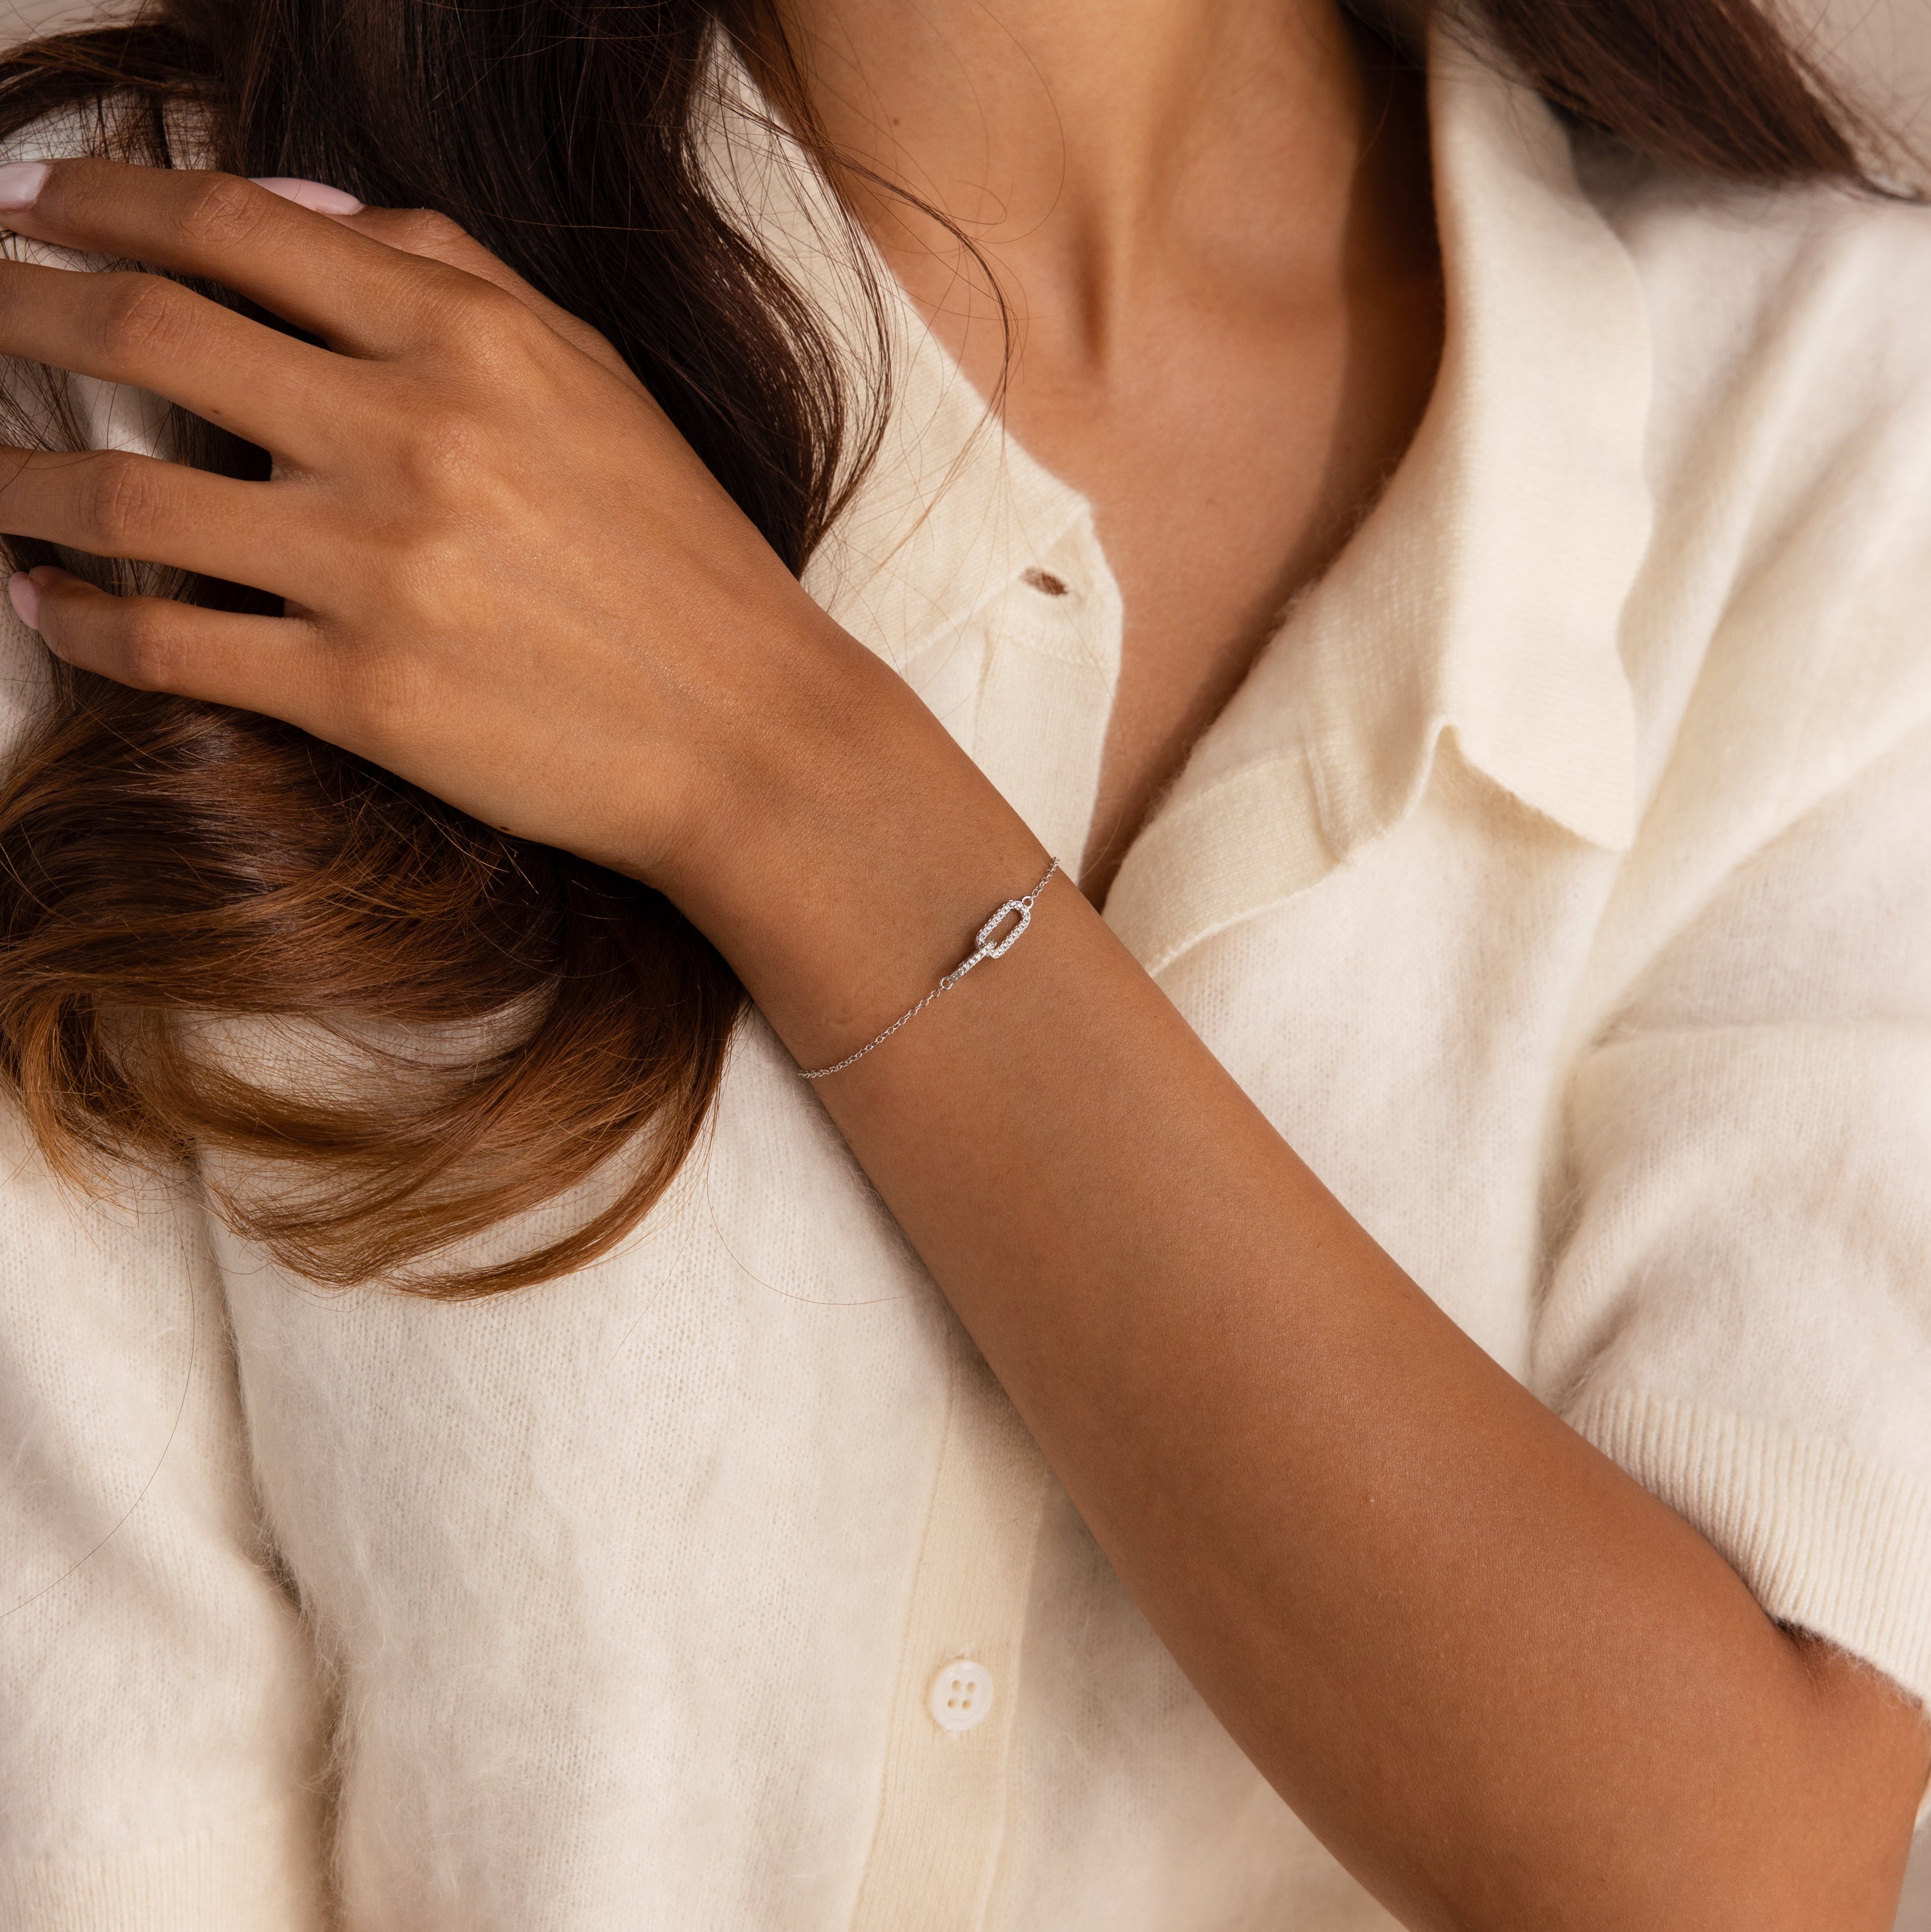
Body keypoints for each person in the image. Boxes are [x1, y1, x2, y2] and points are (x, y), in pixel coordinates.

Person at [0, 0, 1925, 1924]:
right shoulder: (155, 338)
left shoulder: (1838, 418)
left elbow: (1735, 1873)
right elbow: (89, 1823)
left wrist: (778, 772)